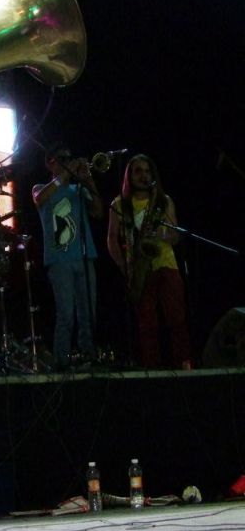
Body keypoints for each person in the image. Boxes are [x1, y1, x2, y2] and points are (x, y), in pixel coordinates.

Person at [107, 153, 191, 369]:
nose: (143, 176)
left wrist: (161, 233)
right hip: (139, 269)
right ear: (129, 175)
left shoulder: (163, 201)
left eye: (147, 171)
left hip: (166, 264)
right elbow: (112, 239)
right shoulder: (119, 204)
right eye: (138, 171)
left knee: (177, 320)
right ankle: (152, 371)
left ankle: (185, 367)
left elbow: (176, 236)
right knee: (147, 325)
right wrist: (124, 267)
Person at [32, 144, 104, 370]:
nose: (67, 161)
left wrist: (88, 180)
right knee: (66, 314)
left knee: (88, 313)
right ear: (49, 163)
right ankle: (61, 362)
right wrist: (65, 174)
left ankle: (88, 357)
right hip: (59, 260)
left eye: (69, 158)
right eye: (61, 158)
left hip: (85, 256)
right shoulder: (40, 188)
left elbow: (99, 212)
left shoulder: (77, 190)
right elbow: (40, 199)